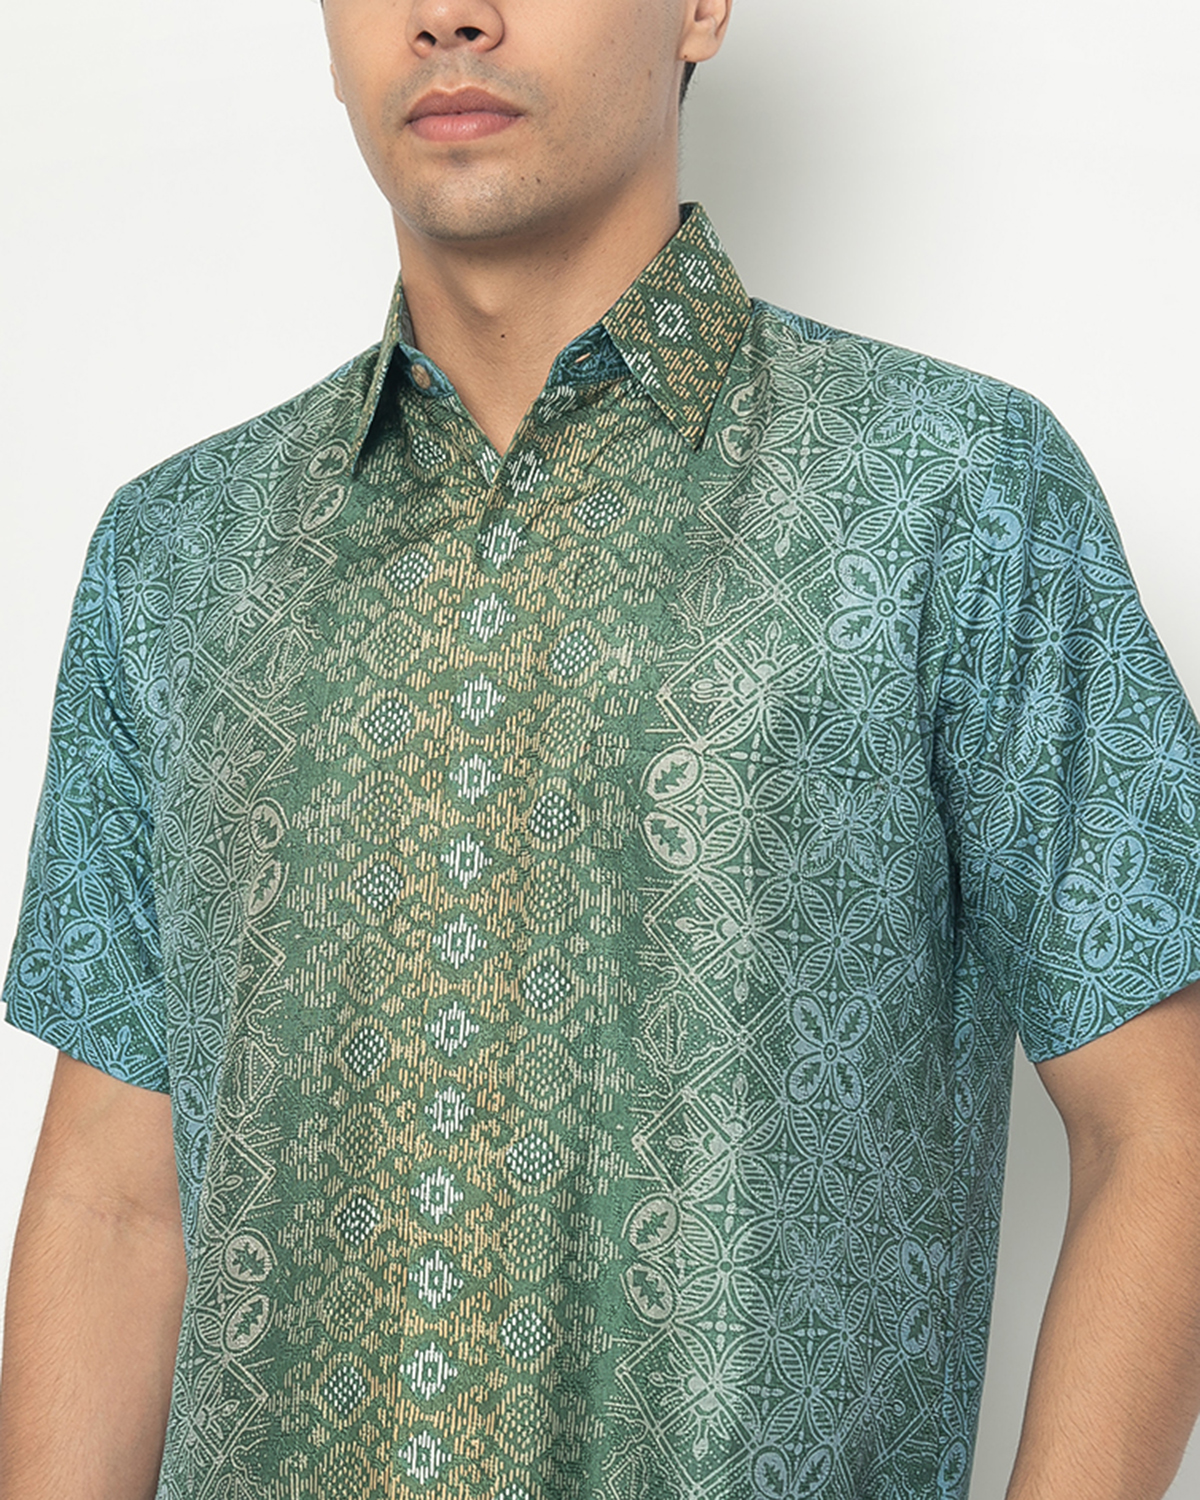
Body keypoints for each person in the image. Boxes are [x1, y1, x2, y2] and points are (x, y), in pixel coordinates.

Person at [2, 1, 1199, 1497]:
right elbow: (117, 1205)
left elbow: (1163, 1128)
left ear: (700, 6)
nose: (449, 13)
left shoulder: (949, 495)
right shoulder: (179, 559)